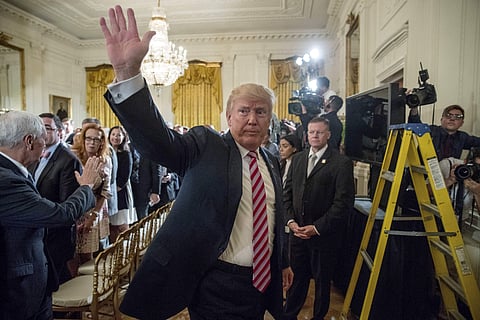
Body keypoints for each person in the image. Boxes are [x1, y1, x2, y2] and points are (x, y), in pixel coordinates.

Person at [100, 6, 293, 319]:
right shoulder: (207, 145)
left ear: (270, 120)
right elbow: (159, 142)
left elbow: (273, 214)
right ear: (228, 116)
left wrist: (282, 261)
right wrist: (128, 74)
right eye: (244, 111)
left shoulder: (271, 159)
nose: (252, 119)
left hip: (261, 283)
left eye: (261, 112)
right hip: (215, 281)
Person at [0, 110, 100, 320]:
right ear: (28, 141)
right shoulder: (7, 180)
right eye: (42, 139)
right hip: (17, 289)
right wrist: (87, 187)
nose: (45, 145)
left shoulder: (13, 169)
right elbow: (60, 214)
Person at [283, 117, 354, 320]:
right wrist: (290, 221)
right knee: (297, 280)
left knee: (322, 284)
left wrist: (316, 228)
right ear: (306, 134)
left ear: (328, 135)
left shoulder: (341, 163)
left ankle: (318, 316)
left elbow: (343, 203)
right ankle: (289, 315)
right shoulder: (297, 159)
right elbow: (287, 194)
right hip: (297, 234)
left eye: (319, 132)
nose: (314, 135)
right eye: (311, 132)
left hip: (323, 236)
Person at [28, 113, 83, 284]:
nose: (42, 133)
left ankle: (69, 311)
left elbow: (68, 204)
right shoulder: (34, 155)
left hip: (56, 234)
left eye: (46, 128)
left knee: (58, 282)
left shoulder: (68, 159)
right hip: (38, 232)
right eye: (39, 128)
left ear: (59, 131)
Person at [71, 122, 112, 264]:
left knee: (86, 256)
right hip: (72, 208)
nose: (92, 142)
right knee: (70, 254)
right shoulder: (73, 156)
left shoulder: (105, 161)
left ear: (101, 142)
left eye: (96, 139)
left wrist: (93, 216)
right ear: (83, 139)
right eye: (88, 138)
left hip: (91, 210)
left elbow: (105, 193)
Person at [408, 104, 480, 161]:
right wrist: (414, 108)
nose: (452, 119)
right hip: (425, 175)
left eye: (458, 117)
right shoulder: (432, 130)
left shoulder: (463, 137)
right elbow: (415, 125)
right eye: (448, 115)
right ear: (442, 119)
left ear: (462, 123)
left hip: (449, 176)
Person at [108, 125, 137, 241]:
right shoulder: (107, 151)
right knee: (112, 226)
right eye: (113, 134)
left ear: (124, 137)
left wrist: (116, 189)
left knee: (122, 225)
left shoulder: (126, 153)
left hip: (121, 191)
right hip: (109, 192)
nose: (115, 137)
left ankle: (127, 250)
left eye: (119, 135)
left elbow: (125, 176)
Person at [130, 146, 162, 220]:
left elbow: (156, 172)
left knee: (142, 218)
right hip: (130, 190)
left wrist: (155, 191)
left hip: (144, 190)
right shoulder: (127, 147)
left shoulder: (150, 149)